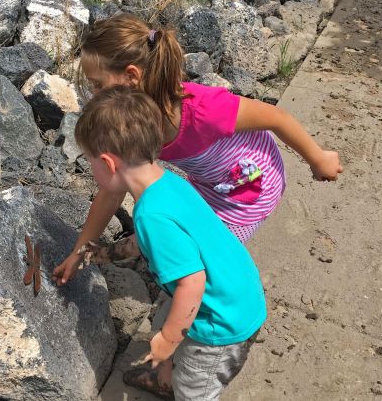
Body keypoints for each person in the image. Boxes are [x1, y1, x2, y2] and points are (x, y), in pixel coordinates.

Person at [53, 13, 343, 277]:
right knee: (173, 231)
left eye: (98, 85)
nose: (93, 96)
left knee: (210, 257)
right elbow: (112, 190)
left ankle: (226, 315)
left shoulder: (203, 109)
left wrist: (318, 158)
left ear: (131, 77)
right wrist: (79, 251)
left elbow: (276, 118)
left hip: (252, 185)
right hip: (210, 183)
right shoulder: (131, 124)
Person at [61, 86, 266, 400]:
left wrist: (169, 339)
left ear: (108, 163)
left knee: (194, 388)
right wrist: (103, 253)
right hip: (236, 289)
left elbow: (193, 283)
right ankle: (165, 377)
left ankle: (178, 386)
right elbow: (152, 243)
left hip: (221, 323)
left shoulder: (151, 217)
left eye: (91, 163)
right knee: (163, 316)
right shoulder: (166, 183)